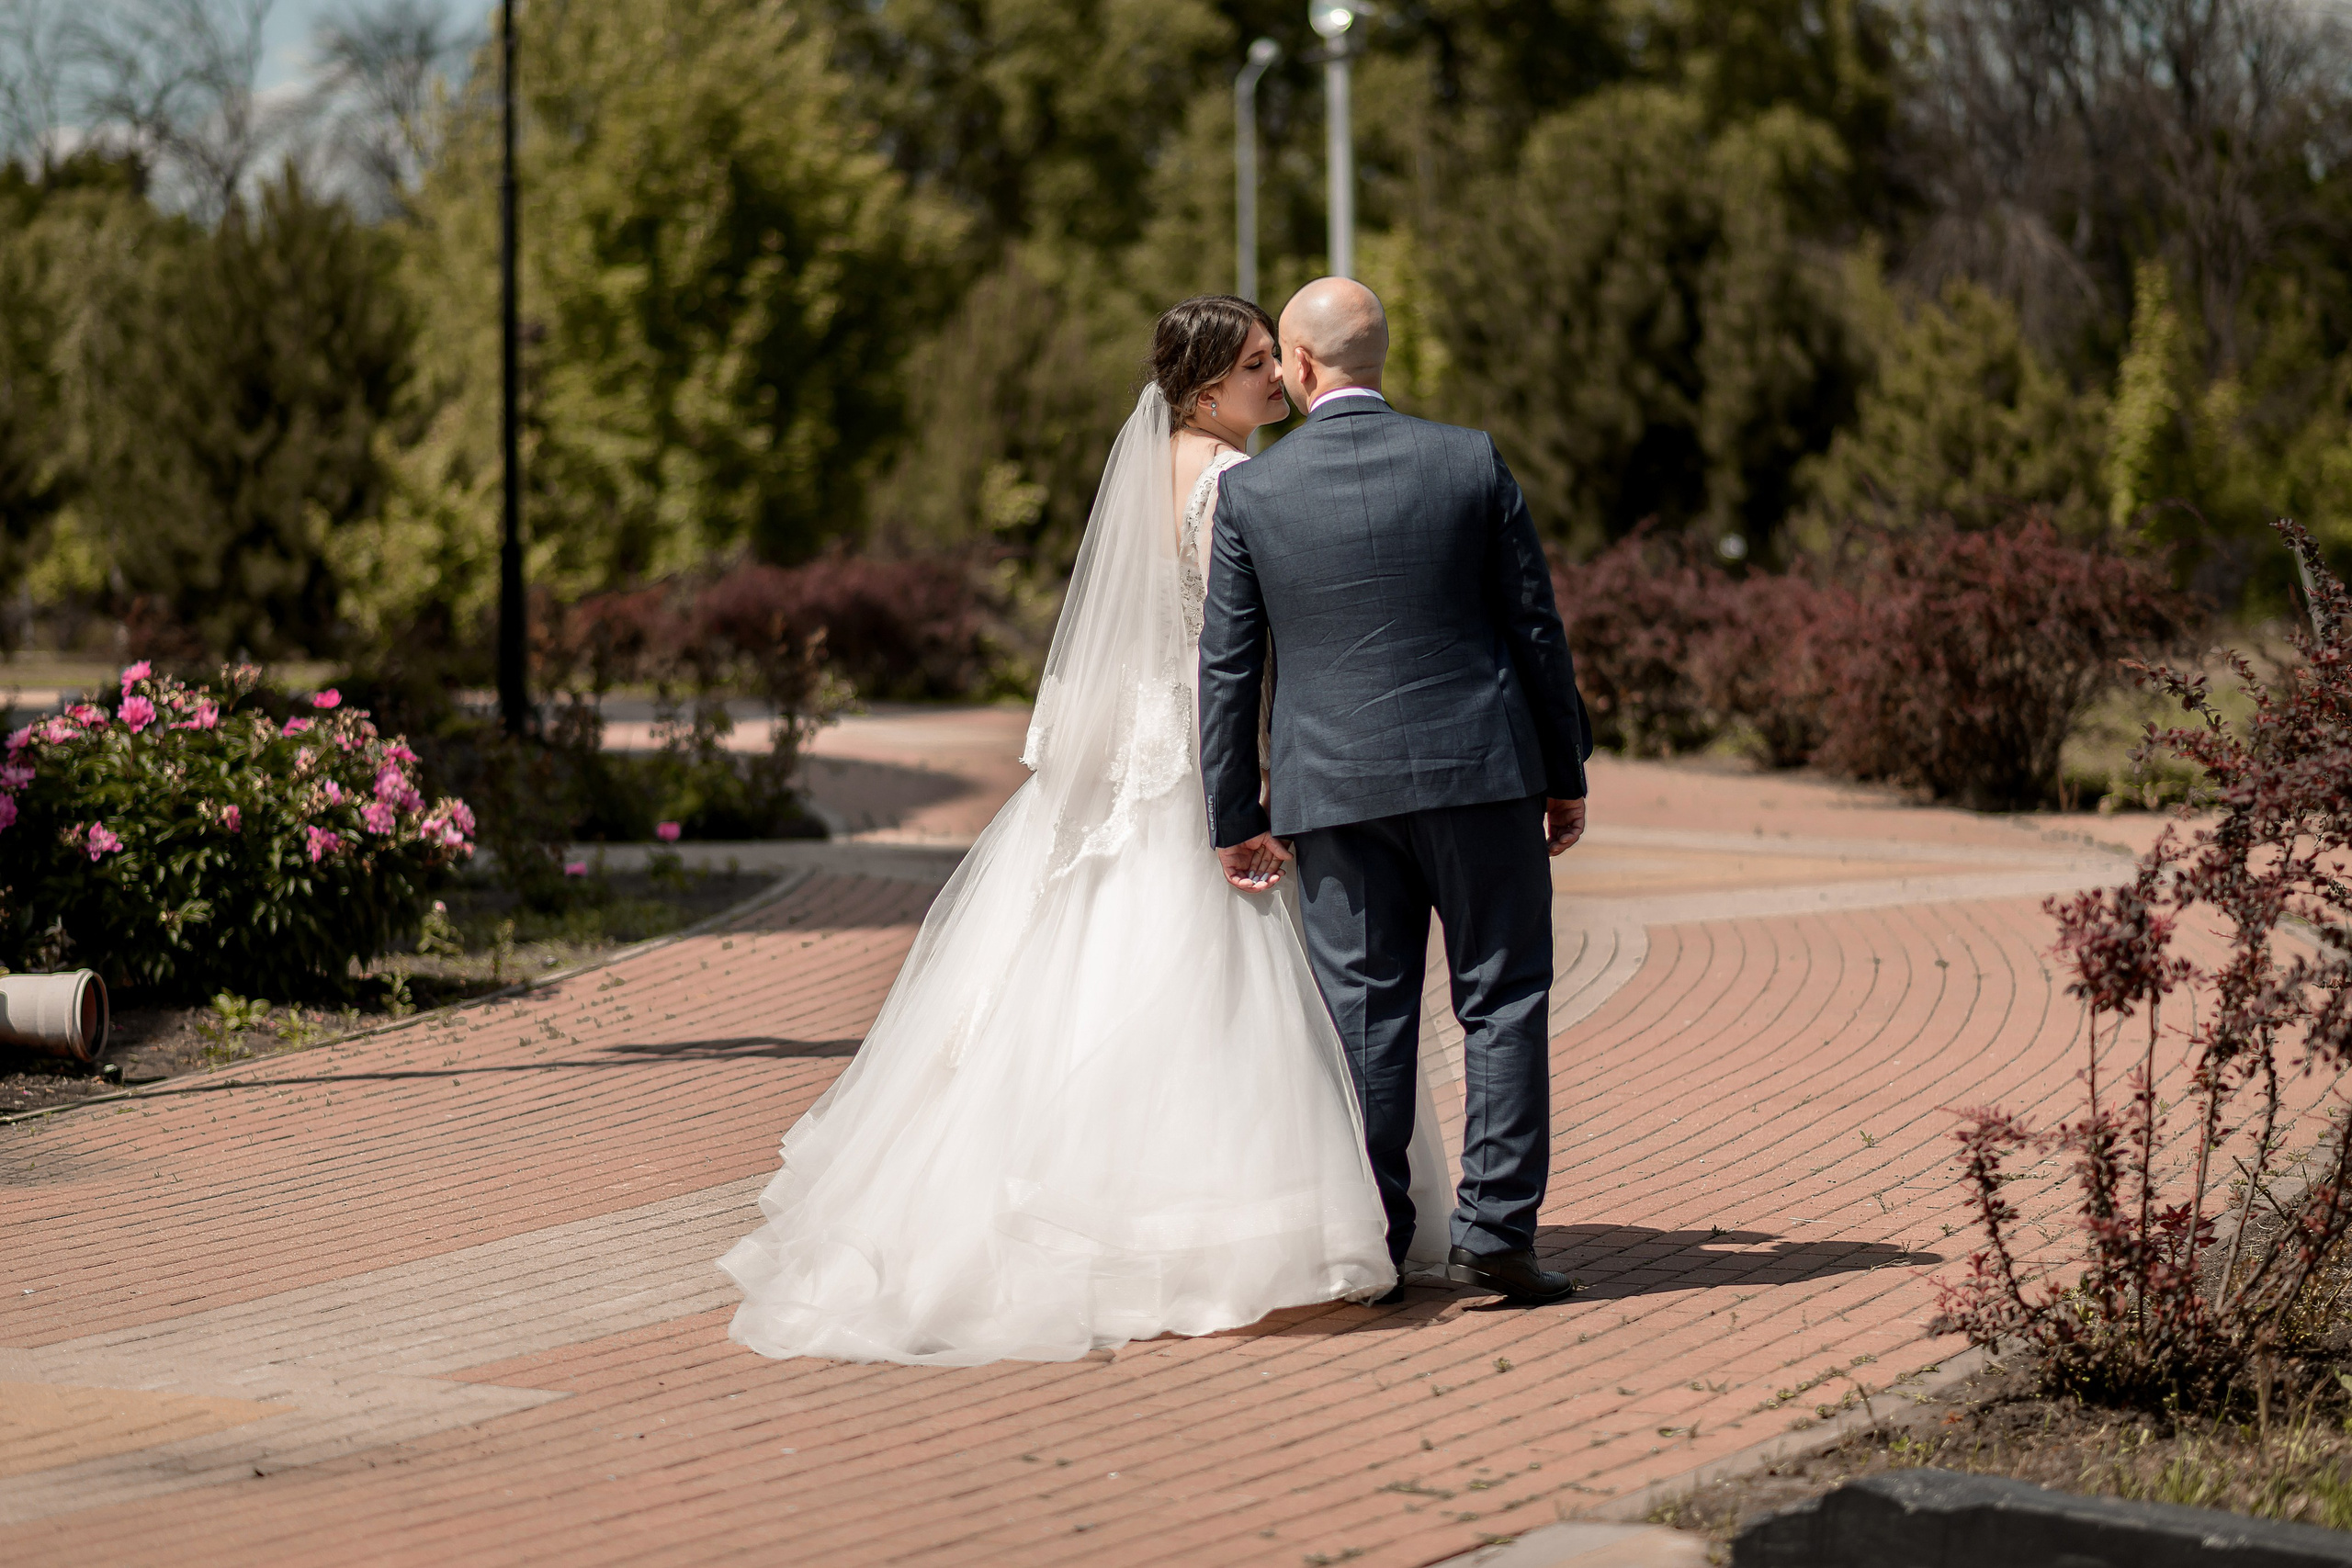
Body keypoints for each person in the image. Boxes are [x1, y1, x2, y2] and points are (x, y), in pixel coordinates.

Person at [718, 295, 1455, 1365]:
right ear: (1207, 389)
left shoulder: (1154, 473)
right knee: (1214, 982)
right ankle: (1236, 1236)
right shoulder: (1235, 480)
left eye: (1273, 361)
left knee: (1075, 970)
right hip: (1204, 760)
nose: (1275, 382)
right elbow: (1241, 643)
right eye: (1255, 366)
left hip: (1136, 757)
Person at [1198, 277, 1592, 1305]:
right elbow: (1534, 629)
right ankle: (1497, 1234)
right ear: (1373, 356)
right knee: (1502, 1000)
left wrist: (1234, 813)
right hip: (1481, 773)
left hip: (1332, 792)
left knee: (1366, 1017)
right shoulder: (1467, 458)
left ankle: (1375, 1242)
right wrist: (1563, 774)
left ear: (1303, 364)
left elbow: (1229, 667)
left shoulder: (1255, 493)